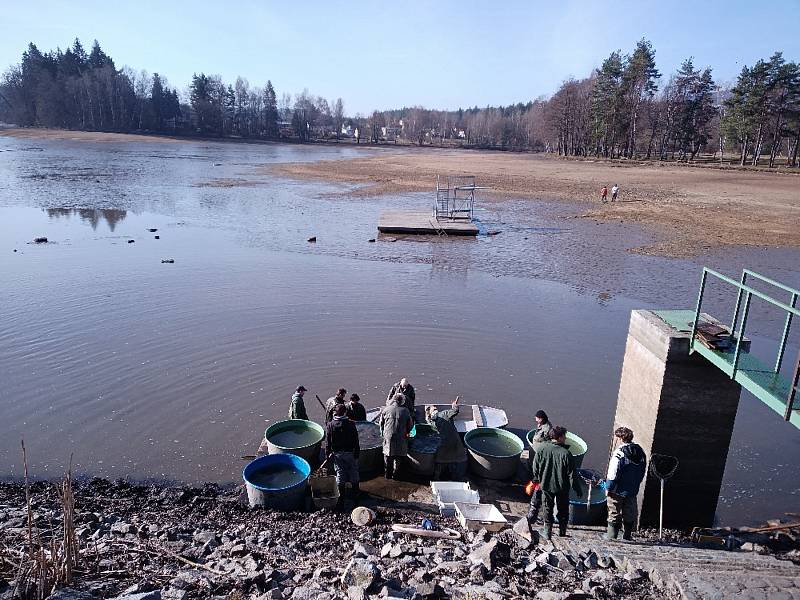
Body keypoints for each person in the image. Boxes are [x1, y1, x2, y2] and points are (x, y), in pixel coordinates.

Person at [531, 426, 581, 540]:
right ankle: (562, 533)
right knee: (563, 509)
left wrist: (538, 478)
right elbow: (572, 475)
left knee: (547, 507)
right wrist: (577, 489)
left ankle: (547, 533)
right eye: (564, 436)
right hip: (562, 488)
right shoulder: (566, 454)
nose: (565, 438)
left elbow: (535, 468)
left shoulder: (542, 448)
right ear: (559, 437)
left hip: (546, 485)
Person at [603, 426, 647, 541]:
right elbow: (642, 471)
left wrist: (608, 487)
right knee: (629, 513)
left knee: (614, 512)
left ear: (620, 438)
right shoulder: (640, 452)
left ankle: (611, 537)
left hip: (617, 490)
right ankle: (627, 536)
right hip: (632, 489)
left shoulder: (619, 453)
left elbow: (613, 472)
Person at [326, 404, 360, 510]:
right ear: (345, 412)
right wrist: (357, 453)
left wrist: (327, 454)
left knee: (340, 473)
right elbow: (356, 440)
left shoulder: (330, 425)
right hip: (350, 452)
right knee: (353, 471)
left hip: (337, 454)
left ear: (335, 413)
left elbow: (328, 442)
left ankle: (341, 498)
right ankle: (356, 495)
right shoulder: (351, 424)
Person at [426, 396, 467, 481]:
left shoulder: (432, 423)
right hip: (454, 441)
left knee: (440, 460)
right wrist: (454, 405)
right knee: (454, 459)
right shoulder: (445, 413)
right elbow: (455, 411)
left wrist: (427, 416)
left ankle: (437, 477)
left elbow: (429, 421)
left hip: (443, 444)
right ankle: (454, 477)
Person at [526, 409, 553, 523]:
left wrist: (535, 480)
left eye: (537, 418)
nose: (535, 419)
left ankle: (533, 517)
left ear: (541, 418)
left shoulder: (548, 429)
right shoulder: (541, 426)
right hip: (538, 458)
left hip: (541, 464)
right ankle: (535, 515)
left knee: (538, 493)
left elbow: (549, 441)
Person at [379, 393, 413, 479]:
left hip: (389, 437)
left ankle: (387, 475)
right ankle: (396, 475)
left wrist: (383, 433)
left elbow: (381, 424)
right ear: (402, 401)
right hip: (401, 438)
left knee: (388, 455)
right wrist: (408, 434)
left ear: (394, 400)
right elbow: (410, 426)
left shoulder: (386, 409)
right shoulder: (405, 411)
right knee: (399, 456)